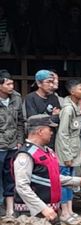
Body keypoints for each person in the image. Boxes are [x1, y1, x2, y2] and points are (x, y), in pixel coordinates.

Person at [14, 115, 81, 225]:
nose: (52, 133)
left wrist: (77, 181)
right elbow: (22, 186)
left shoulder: (48, 151)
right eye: (50, 129)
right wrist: (42, 208)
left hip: (50, 211)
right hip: (31, 214)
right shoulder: (25, 154)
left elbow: (52, 178)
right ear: (40, 131)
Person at [55, 80, 81, 225]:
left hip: (74, 147)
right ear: (72, 92)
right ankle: (64, 212)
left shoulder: (79, 105)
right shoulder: (67, 109)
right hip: (66, 148)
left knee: (71, 179)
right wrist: (66, 155)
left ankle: (70, 210)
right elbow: (63, 134)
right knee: (65, 180)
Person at [0, 70, 24, 217]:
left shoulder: (16, 97)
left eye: (12, 83)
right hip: (0, 145)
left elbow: (21, 121)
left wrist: (20, 141)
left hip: (13, 145)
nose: (11, 86)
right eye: (8, 84)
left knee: (11, 176)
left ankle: (10, 208)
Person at [24, 70, 61, 149]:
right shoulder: (30, 98)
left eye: (52, 82)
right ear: (39, 84)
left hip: (51, 139)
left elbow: (58, 118)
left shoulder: (54, 98)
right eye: (48, 82)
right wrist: (52, 117)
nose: (51, 85)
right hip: (37, 141)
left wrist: (48, 118)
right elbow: (35, 120)